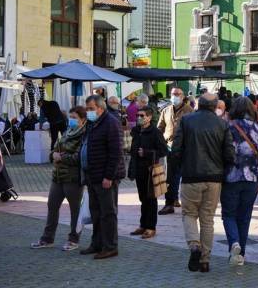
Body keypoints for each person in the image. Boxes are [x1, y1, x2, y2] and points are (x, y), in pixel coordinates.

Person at [173, 93, 235, 273]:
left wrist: (180, 168)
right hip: (214, 179)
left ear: (199, 104)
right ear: (214, 106)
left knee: (189, 214)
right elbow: (230, 154)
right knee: (207, 219)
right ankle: (205, 260)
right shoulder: (222, 124)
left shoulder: (186, 120)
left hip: (191, 176)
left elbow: (176, 149)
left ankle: (194, 246)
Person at [222, 97, 258, 265]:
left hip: (230, 177)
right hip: (252, 178)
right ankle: (241, 253)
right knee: (244, 216)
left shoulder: (227, 127)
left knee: (229, 214)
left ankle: (233, 243)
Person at [32, 106, 87, 251]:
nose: (72, 120)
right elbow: (55, 149)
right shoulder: (67, 132)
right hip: (57, 176)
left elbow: (79, 157)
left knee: (75, 210)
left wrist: (60, 157)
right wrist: (53, 155)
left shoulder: (84, 135)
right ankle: (47, 238)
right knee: (52, 206)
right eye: (71, 117)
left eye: (75, 117)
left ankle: (73, 239)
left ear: (83, 120)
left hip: (72, 178)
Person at [79, 95, 124, 260]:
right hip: (93, 175)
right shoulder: (93, 123)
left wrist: (109, 176)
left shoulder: (111, 123)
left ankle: (110, 246)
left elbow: (116, 152)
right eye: (87, 109)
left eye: (91, 109)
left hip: (105, 177)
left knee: (108, 213)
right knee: (96, 212)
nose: (88, 112)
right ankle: (97, 243)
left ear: (100, 108)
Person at [127, 107, 168, 239]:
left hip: (150, 170)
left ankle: (151, 227)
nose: (139, 117)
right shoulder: (136, 131)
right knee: (142, 199)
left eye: (142, 115)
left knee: (151, 199)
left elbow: (163, 151)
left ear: (149, 117)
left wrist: (147, 152)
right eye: (138, 115)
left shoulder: (155, 132)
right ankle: (143, 225)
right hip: (138, 169)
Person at [158, 87, 193, 215]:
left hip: (185, 148)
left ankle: (186, 202)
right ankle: (170, 203)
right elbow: (160, 128)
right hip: (169, 148)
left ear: (183, 96)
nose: (175, 96)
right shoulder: (166, 110)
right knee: (170, 177)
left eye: (177, 94)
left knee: (185, 176)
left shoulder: (189, 111)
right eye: (173, 94)